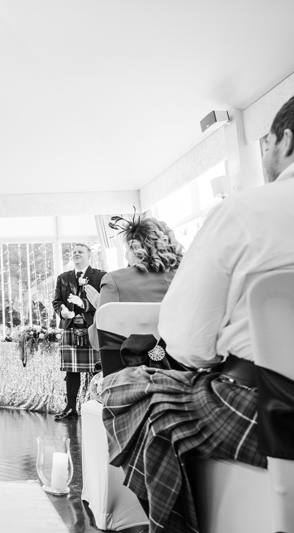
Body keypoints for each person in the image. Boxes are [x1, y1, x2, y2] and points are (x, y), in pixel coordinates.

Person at [100, 94, 294, 533]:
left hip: (269, 408)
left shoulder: (245, 211)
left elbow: (188, 342)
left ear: (285, 140)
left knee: (131, 389)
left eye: (266, 144)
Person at [88, 216, 184, 357]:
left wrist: (100, 306)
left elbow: (99, 341)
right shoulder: (188, 277)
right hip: (186, 369)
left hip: (131, 372)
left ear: (132, 247)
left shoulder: (114, 281)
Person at [52, 243, 105, 420]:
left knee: (97, 369)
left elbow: (103, 302)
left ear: (89, 256)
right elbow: (57, 301)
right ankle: (70, 407)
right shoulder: (63, 277)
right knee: (71, 370)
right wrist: (62, 311)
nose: (76, 254)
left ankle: (96, 406)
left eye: (80, 252)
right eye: (73, 252)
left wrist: (83, 304)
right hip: (70, 326)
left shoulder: (101, 276)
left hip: (92, 326)